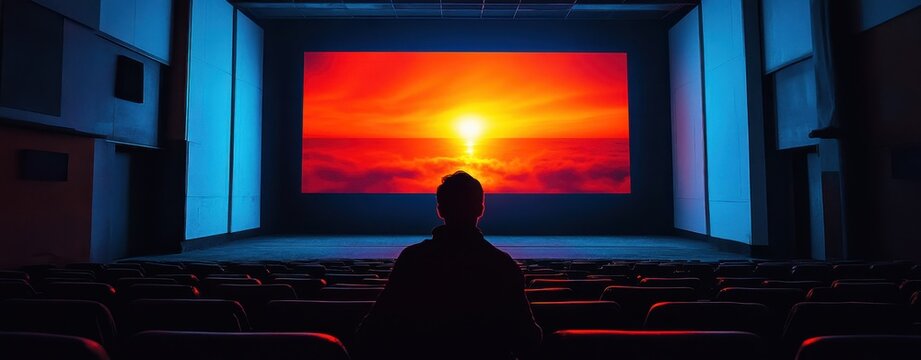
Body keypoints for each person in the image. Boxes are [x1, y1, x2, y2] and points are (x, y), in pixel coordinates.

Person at [354, 171, 541, 360]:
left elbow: (373, 329)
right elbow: (527, 339)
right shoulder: (504, 265)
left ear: (440, 210)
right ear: (480, 209)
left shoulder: (412, 259)